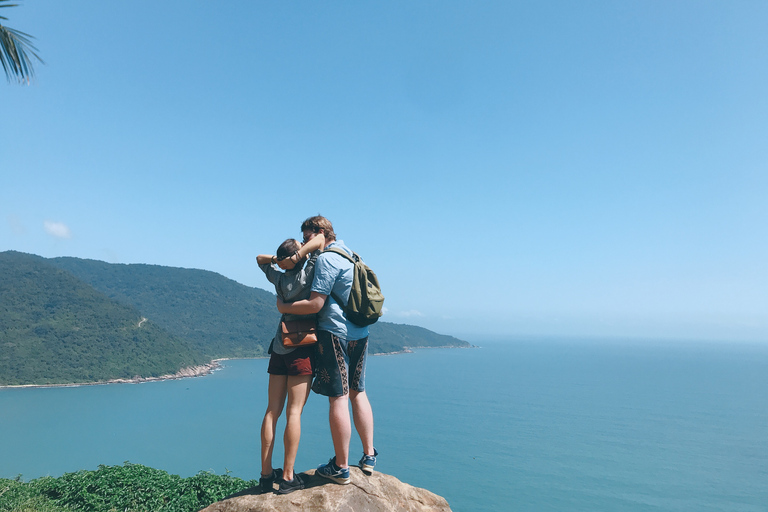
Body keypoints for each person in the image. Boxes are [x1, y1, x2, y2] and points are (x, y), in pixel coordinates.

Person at [276, 215, 377, 485]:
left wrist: (284, 308)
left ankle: (341, 467)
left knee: (339, 398)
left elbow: (315, 304)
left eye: (307, 237)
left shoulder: (326, 259)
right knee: (358, 392)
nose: (304, 243)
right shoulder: (352, 255)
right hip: (361, 333)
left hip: (335, 333)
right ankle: (368, 456)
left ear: (320, 232)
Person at [255, 232, 325, 494]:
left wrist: (279, 260)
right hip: (302, 348)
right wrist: (300, 255)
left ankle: (265, 475)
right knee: (294, 412)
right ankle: (287, 477)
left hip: (279, 346)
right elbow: (318, 241)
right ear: (298, 256)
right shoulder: (308, 272)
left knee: (272, 411)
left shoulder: (279, 277)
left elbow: (259, 259)